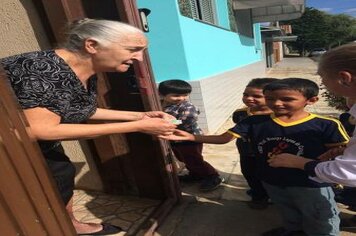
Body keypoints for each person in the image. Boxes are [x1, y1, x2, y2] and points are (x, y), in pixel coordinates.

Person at [0, 18, 177, 235]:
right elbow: (40, 130)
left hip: (24, 139)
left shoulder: (84, 69)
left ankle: (69, 224)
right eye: (133, 49)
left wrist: (140, 115)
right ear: (92, 45)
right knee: (39, 185)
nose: (140, 58)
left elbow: (81, 109)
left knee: (60, 173)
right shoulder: (43, 69)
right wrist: (137, 126)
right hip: (11, 141)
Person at [166, 78, 349, 236]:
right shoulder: (254, 121)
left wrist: (335, 176)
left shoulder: (326, 125)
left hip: (310, 183)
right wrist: (191, 136)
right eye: (271, 98)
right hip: (272, 179)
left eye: (287, 99)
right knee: (286, 208)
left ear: (311, 100)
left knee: (319, 214)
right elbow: (224, 138)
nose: (277, 103)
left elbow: (342, 151)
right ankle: (294, 230)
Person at [268, 43, 356, 188]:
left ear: (344, 78)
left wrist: (299, 163)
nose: (322, 83)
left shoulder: (327, 125)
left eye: (322, 77)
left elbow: (349, 173)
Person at [158, 79, 223, 191]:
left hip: (190, 138)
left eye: (185, 95)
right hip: (175, 139)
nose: (182, 98)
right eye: (176, 95)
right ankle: (196, 174)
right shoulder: (160, 103)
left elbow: (187, 121)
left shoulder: (187, 106)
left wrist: (164, 123)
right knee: (183, 158)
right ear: (162, 95)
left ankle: (212, 176)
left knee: (194, 159)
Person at [232, 78, 277, 209]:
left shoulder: (279, 115)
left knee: (271, 176)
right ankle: (258, 196)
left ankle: (274, 195)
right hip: (247, 151)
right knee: (250, 174)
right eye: (246, 94)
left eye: (257, 96)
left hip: (271, 153)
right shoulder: (240, 113)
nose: (249, 99)